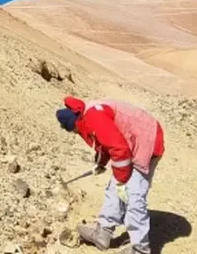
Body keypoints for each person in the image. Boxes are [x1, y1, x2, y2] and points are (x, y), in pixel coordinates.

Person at [55, 96, 165, 254]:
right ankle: (103, 232)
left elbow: (119, 150)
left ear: (74, 124)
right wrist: (100, 163)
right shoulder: (85, 115)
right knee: (114, 189)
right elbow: (104, 142)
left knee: (133, 195)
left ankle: (140, 249)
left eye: (74, 131)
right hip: (131, 142)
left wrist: (121, 180)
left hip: (147, 141)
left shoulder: (93, 117)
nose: (76, 133)